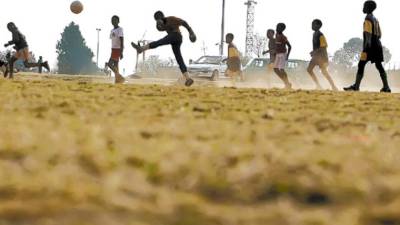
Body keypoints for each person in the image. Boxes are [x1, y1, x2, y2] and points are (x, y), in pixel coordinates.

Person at [131, 11, 196, 87]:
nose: (158, 20)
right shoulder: (162, 24)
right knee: (179, 59)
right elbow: (159, 29)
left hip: (176, 36)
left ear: (162, 16)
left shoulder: (171, 19)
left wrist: (191, 32)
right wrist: (159, 24)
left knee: (159, 42)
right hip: (174, 40)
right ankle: (188, 79)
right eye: (156, 19)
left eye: (159, 18)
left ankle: (141, 49)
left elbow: (183, 22)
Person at [344, 0, 391, 93]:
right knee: (379, 65)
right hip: (378, 44)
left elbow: (368, 34)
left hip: (370, 46)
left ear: (368, 8)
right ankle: (386, 87)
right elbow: (380, 35)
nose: (363, 8)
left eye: (364, 6)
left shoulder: (368, 19)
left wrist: (366, 47)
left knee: (361, 64)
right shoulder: (375, 19)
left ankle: (356, 86)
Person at [307, 19, 338, 91]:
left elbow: (324, 46)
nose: (312, 25)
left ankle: (333, 86)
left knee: (324, 72)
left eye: (313, 24)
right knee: (309, 69)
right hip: (316, 56)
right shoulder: (314, 34)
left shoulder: (321, 35)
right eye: (312, 24)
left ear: (318, 26)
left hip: (321, 57)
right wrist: (314, 52)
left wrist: (314, 52)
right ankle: (318, 85)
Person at [274, 23, 292, 89]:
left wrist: (287, 56)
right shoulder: (276, 35)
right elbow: (277, 45)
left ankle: (287, 84)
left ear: (282, 29)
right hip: (278, 54)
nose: (276, 28)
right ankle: (286, 83)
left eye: (278, 27)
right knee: (275, 69)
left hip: (283, 54)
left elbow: (290, 46)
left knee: (281, 70)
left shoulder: (283, 37)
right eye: (276, 26)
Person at [108, 15, 125, 84]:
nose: (113, 21)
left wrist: (121, 51)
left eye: (115, 20)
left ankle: (119, 76)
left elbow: (122, 40)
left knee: (109, 64)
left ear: (118, 21)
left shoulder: (120, 29)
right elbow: (112, 39)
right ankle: (117, 81)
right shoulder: (112, 30)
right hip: (113, 49)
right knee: (115, 65)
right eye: (112, 20)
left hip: (117, 49)